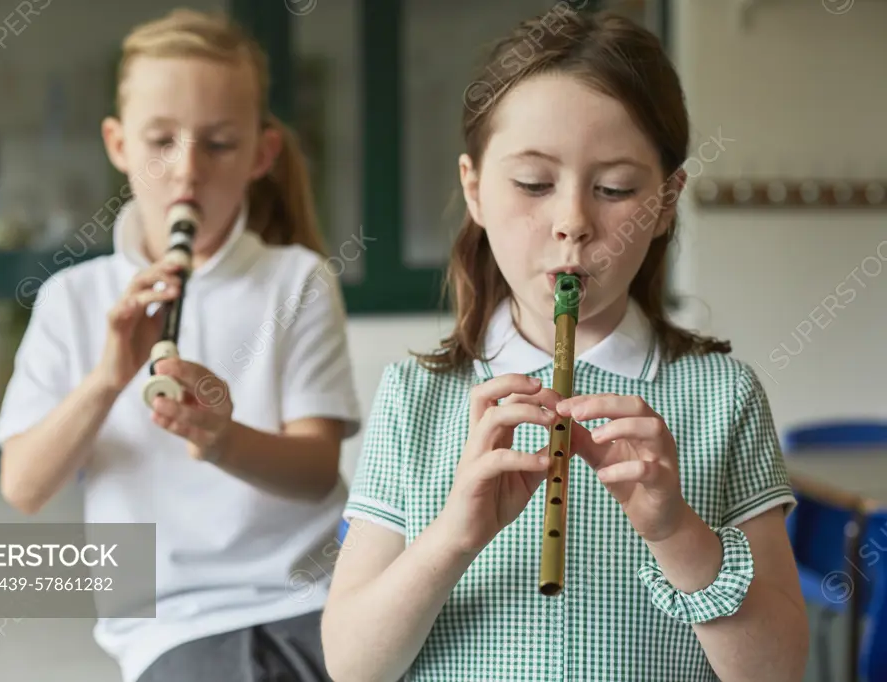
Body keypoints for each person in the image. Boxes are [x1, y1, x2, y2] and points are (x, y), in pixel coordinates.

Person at [322, 9, 809, 682]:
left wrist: (677, 533)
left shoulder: (722, 396)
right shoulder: (417, 396)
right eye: (532, 184)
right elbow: (350, 665)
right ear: (475, 190)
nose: (572, 223)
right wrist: (453, 538)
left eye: (614, 189)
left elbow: (777, 670)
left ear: (666, 202)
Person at [0, 9, 360, 682]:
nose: (186, 170)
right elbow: (23, 486)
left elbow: (315, 474)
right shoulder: (72, 299)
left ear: (262, 154)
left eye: (219, 143)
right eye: (160, 139)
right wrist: (108, 377)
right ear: (118, 144)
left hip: (317, 597)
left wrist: (224, 439)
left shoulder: (297, 279)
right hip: (171, 619)